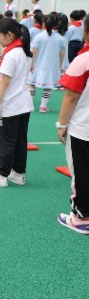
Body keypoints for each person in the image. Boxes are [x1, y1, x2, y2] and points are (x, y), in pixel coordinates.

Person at [0, 18, 33, 188]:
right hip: (24, 103)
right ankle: (18, 173)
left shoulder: (12, 55)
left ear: (9, 35)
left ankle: (2, 174)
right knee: (19, 140)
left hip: (11, 104)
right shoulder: (24, 52)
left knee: (6, 140)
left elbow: (4, 81)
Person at [56, 15, 89, 234]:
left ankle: (81, 217)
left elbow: (70, 97)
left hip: (83, 128)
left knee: (82, 173)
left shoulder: (83, 60)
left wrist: (61, 124)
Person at [28, 14, 65, 113]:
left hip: (38, 64)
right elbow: (62, 53)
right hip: (52, 66)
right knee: (48, 87)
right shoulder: (60, 38)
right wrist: (60, 66)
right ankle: (43, 106)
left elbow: (34, 51)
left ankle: (30, 105)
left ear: (43, 24)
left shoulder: (39, 36)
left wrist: (31, 64)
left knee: (31, 84)